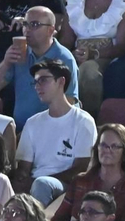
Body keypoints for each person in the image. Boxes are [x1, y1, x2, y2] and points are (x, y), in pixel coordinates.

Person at [16, 61, 96, 207]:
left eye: (43, 80)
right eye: (35, 82)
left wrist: (39, 180)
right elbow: (24, 167)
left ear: (61, 81)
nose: (37, 86)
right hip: (36, 182)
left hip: (66, 186)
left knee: (42, 183)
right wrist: (21, 179)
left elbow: (82, 169)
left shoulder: (83, 121)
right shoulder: (33, 122)